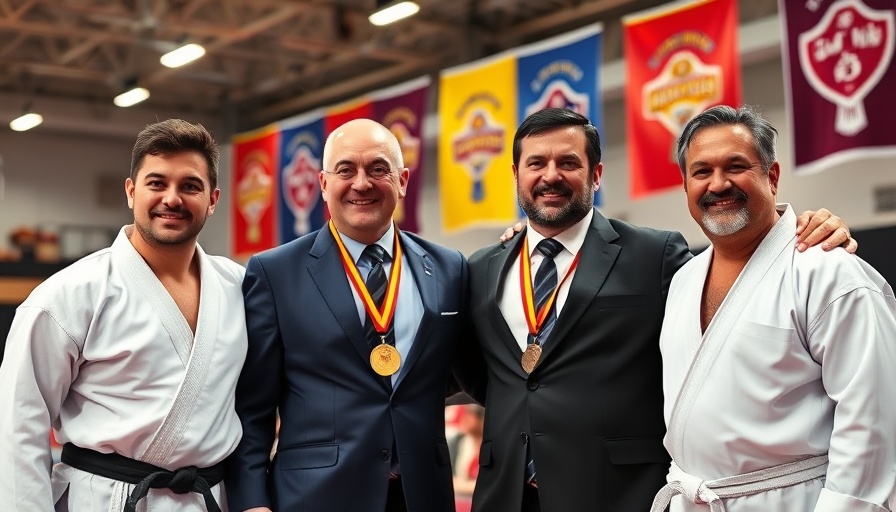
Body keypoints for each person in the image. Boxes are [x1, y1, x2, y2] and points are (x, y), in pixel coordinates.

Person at [465, 107, 856, 512]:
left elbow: (733, 298)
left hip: (615, 493)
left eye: (568, 162)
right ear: (515, 176)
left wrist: (802, 225)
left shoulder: (655, 254)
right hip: (505, 492)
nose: (550, 176)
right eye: (536, 163)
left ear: (596, 175)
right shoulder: (481, 268)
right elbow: (482, 375)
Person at [224, 118, 481, 512]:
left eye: (378, 169)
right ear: (324, 185)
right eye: (346, 170)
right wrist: (251, 503)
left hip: (421, 495)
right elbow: (252, 408)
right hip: (316, 497)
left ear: (402, 181)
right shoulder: (275, 273)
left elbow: (459, 373)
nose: (362, 183)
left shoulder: (449, 269)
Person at [650, 105, 896, 511]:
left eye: (736, 166)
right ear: (685, 185)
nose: (718, 184)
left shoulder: (828, 272)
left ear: (773, 176)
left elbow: (875, 423)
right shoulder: (683, 279)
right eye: (701, 172)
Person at [0, 119, 247, 511]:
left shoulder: (240, 287)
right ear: (131, 191)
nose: (172, 198)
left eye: (190, 185)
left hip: (210, 499)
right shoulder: (69, 293)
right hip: (105, 498)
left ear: (213, 199)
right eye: (156, 183)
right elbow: (17, 426)